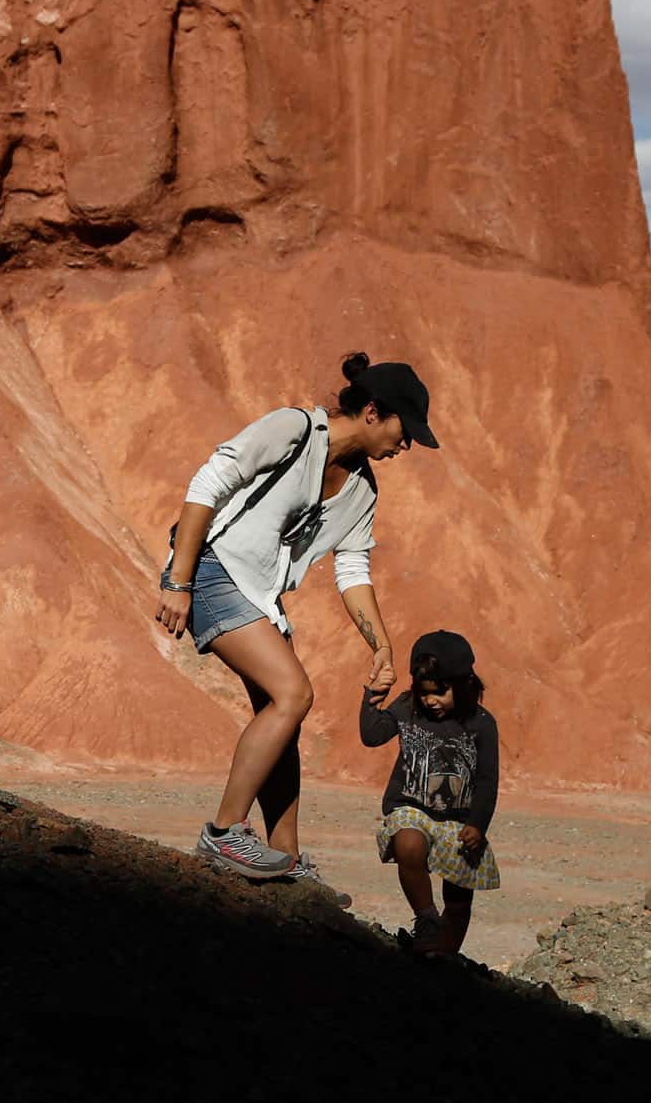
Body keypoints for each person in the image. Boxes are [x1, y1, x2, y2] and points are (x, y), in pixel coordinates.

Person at [155, 351, 437, 881]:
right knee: (294, 694)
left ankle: (284, 856)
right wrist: (178, 581)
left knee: (283, 717)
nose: (407, 445)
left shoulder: (362, 491)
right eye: (406, 431)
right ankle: (223, 834)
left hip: (260, 596)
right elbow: (207, 485)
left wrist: (381, 646)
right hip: (213, 570)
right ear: (374, 411)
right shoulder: (294, 429)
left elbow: (352, 569)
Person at [359, 629, 501, 956]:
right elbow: (372, 735)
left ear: (465, 685)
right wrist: (372, 698)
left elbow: (487, 779)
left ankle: (442, 955)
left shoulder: (481, 723)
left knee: (459, 897)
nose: (430, 701)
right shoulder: (409, 707)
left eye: (438, 692)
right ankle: (426, 918)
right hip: (413, 808)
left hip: (459, 819)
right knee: (408, 842)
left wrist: (478, 824)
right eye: (424, 693)